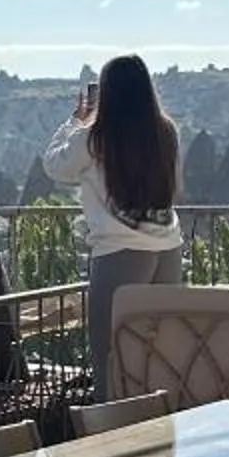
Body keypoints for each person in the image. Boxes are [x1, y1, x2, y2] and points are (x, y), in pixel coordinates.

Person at [42, 54, 184, 398]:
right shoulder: (166, 131)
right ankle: (163, 431)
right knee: (160, 351)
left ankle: (114, 438)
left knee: (111, 353)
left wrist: (75, 121)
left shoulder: (95, 137)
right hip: (167, 248)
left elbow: (54, 166)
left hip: (119, 252)